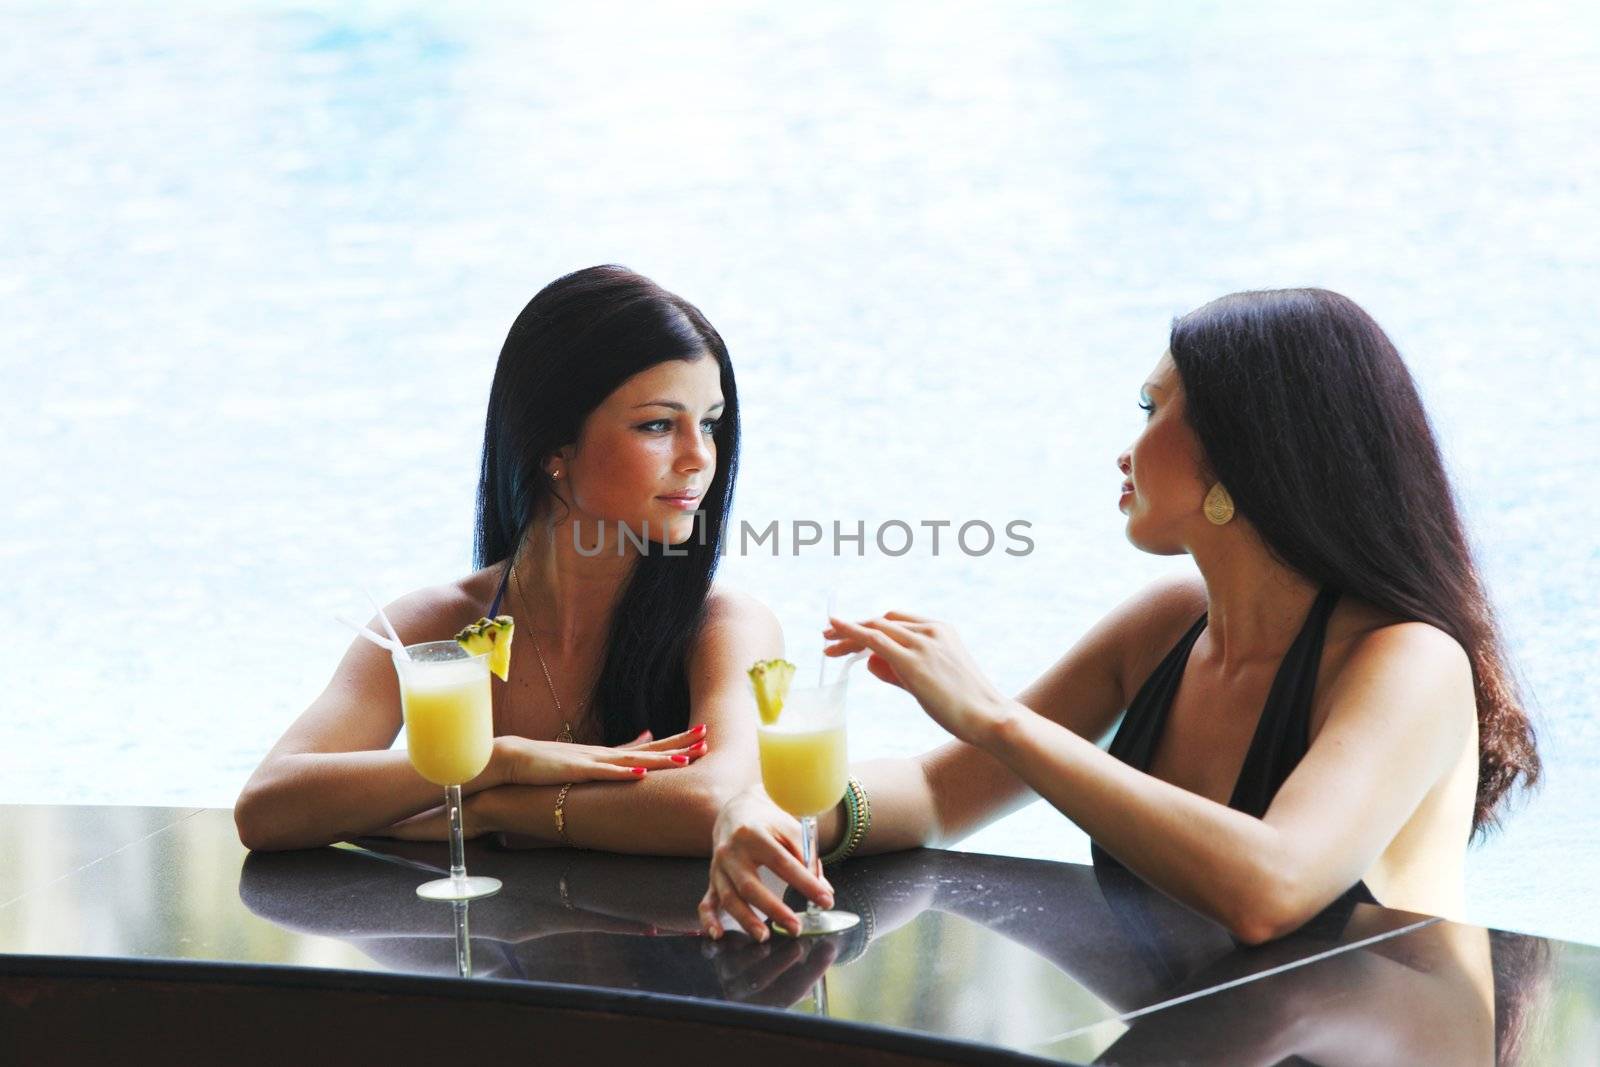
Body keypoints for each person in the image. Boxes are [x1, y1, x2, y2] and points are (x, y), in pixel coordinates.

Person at [701, 288, 1540, 954]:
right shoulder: (1169, 625)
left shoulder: (1407, 660)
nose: (1125, 449)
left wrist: (995, 718)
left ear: (1247, 452)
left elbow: (1272, 888)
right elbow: (934, 791)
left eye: (1151, 409)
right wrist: (789, 819)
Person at [236, 265, 781, 853]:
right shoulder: (432, 626)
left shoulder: (722, 625)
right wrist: (496, 760)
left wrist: (494, 809)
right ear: (552, 447)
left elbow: (717, 803)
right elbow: (267, 807)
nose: (701, 457)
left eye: (710, 424)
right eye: (657, 425)